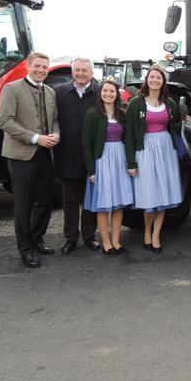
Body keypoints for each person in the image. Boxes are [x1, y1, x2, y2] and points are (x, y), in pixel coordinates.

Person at [0, 52, 60, 268]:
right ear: (28, 66)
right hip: (21, 155)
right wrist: (36, 138)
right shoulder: (11, 89)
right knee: (23, 204)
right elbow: (4, 121)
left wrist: (55, 135)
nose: (41, 70)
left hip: (44, 154)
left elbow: (53, 120)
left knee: (45, 199)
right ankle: (25, 249)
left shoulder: (50, 91)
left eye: (45, 66)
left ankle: (36, 238)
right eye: (38, 66)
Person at [125, 64, 183, 253]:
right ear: (147, 80)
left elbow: (175, 126)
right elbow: (130, 134)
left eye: (159, 77)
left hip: (165, 150)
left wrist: (186, 121)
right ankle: (147, 233)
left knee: (163, 193)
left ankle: (156, 235)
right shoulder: (136, 103)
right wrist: (131, 163)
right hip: (145, 151)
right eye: (152, 77)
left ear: (163, 81)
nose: (155, 80)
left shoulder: (169, 103)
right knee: (149, 194)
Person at [82, 80, 134, 256]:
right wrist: (91, 171)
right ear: (100, 93)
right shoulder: (92, 114)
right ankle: (106, 242)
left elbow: (128, 139)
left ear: (116, 94)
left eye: (112, 91)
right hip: (102, 161)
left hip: (119, 159)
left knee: (118, 204)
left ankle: (116, 241)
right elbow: (86, 145)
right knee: (104, 205)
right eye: (105, 91)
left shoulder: (121, 114)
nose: (108, 94)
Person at [54, 57, 100, 254]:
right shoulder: (59, 92)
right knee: (70, 200)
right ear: (72, 71)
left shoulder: (100, 93)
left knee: (91, 200)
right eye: (78, 70)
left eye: (85, 70)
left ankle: (89, 236)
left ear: (91, 73)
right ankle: (71, 238)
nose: (81, 73)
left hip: (94, 157)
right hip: (68, 154)